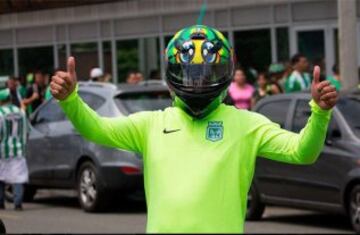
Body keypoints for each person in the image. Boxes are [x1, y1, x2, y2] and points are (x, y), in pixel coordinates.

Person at [50, 25, 338, 233]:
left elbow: (303, 152)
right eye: (189, 74)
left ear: (225, 71)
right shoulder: (152, 124)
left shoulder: (247, 124)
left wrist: (320, 113)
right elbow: (96, 129)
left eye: (207, 74)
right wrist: (70, 100)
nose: (198, 82)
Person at [0, 89, 29, 211]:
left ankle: (0, 202)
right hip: (19, 149)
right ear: (10, 99)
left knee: (1, 176)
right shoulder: (21, 112)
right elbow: (27, 130)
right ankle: (18, 203)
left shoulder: (1, 113)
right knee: (18, 177)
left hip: (3, 150)